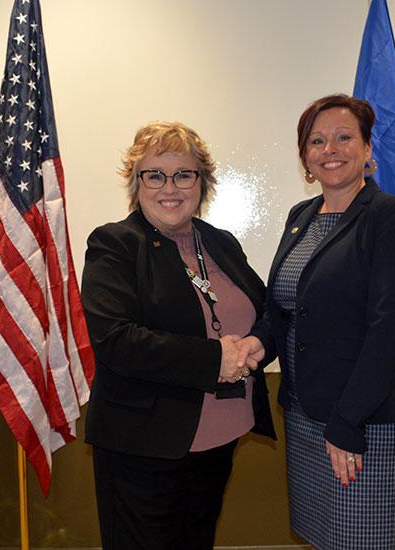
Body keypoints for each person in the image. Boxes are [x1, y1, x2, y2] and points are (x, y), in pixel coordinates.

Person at [238, 94, 395, 549]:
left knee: (362, 541)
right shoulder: (300, 217)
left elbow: (390, 329)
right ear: (305, 157)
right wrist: (259, 343)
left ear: (367, 149)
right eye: (317, 141)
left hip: (362, 420)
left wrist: (347, 423)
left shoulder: (391, 217)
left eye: (344, 137)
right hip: (304, 414)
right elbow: (285, 307)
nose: (330, 149)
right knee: (322, 538)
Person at [80, 122, 275, 549]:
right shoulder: (114, 245)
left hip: (220, 439)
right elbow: (117, 340)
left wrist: (259, 342)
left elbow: (268, 312)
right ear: (137, 183)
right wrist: (214, 359)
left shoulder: (220, 243)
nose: (171, 187)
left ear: (201, 182)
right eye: (155, 174)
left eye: (184, 173)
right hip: (143, 448)